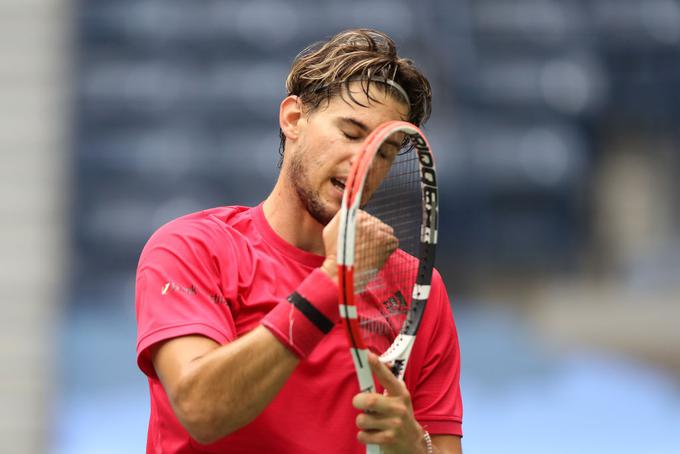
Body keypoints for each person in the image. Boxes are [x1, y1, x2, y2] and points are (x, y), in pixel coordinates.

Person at [135, 28, 463, 453]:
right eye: (350, 132)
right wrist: (333, 280)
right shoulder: (193, 249)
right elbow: (201, 409)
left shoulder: (418, 287)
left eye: (384, 150)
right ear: (293, 119)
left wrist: (413, 450)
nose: (364, 161)